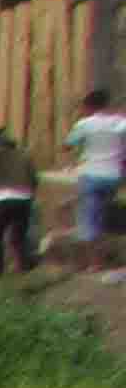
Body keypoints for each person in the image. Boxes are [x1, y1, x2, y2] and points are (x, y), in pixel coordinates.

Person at [70, 88, 126, 279]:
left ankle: (94, 263)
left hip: (91, 174)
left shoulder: (84, 124)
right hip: (114, 176)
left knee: (88, 218)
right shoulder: (120, 122)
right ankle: (108, 256)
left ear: (89, 106)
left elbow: (68, 144)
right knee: (103, 214)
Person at [0, 126, 41, 279]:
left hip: (1, 199)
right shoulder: (24, 155)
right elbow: (34, 179)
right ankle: (23, 267)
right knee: (19, 236)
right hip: (24, 198)